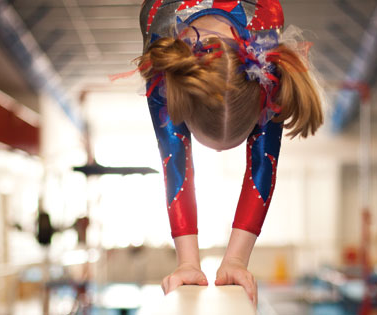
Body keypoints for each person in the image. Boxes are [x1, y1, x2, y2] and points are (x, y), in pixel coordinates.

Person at [136, 0, 324, 304]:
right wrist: (187, 263)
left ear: (260, 99)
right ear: (181, 103)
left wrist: (235, 260)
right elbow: (174, 158)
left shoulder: (265, 58)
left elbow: (264, 162)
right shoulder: (165, 54)